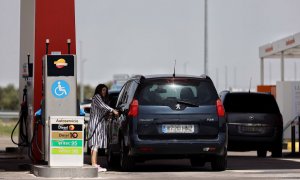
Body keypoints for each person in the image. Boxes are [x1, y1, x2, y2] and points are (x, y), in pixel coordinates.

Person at [88, 84, 119, 172]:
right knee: (95, 144)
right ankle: (94, 164)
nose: (104, 92)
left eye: (105, 90)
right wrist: (112, 110)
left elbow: (103, 110)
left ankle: (94, 163)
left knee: (95, 144)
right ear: (99, 90)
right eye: (103, 90)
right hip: (95, 124)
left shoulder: (101, 98)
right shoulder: (97, 97)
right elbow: (102, 106)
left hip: (99, 124)